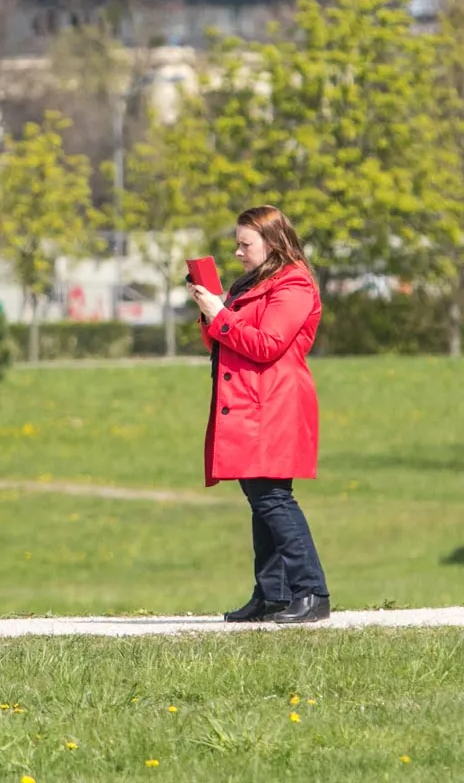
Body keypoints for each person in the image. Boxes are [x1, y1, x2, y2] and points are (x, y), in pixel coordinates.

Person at [187, 205, 330, 625]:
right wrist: (209, 310)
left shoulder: (295, 284)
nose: (237, 252)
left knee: (272, 499)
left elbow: (268, 343)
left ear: (272, 242)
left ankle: (312, 591)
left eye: (244, 244)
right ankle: (271, 594)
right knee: (261, 500)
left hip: (273, 405)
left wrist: (221, 315)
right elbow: (222, 342)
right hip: (252, 403)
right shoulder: (253, 283)